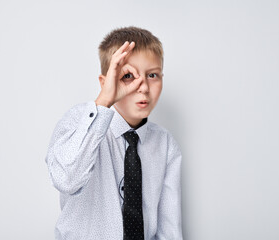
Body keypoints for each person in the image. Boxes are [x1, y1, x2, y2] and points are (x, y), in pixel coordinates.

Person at [45, 26, 183, 240]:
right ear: (105, 82)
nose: (143, 87)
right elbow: (66, 180)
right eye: (128, 76)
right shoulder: (79, 122)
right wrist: (104, 101)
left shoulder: (165, 144)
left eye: (152, 75)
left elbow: (169, 229)